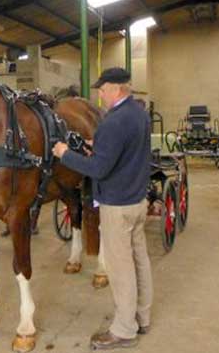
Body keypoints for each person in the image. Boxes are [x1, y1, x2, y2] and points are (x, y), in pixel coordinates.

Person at [52, 67, 153, 350]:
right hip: (137, 200)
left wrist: (65, 154)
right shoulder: (138, 115)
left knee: (121, 269)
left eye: (102, 89)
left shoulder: (112, 121)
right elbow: (124, 149)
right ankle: (142, 317)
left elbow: (98, 169)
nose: (99, 94)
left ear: (116, 88)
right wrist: (94, 144)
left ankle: (124, 330)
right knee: (139, 260)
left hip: (116, 205)